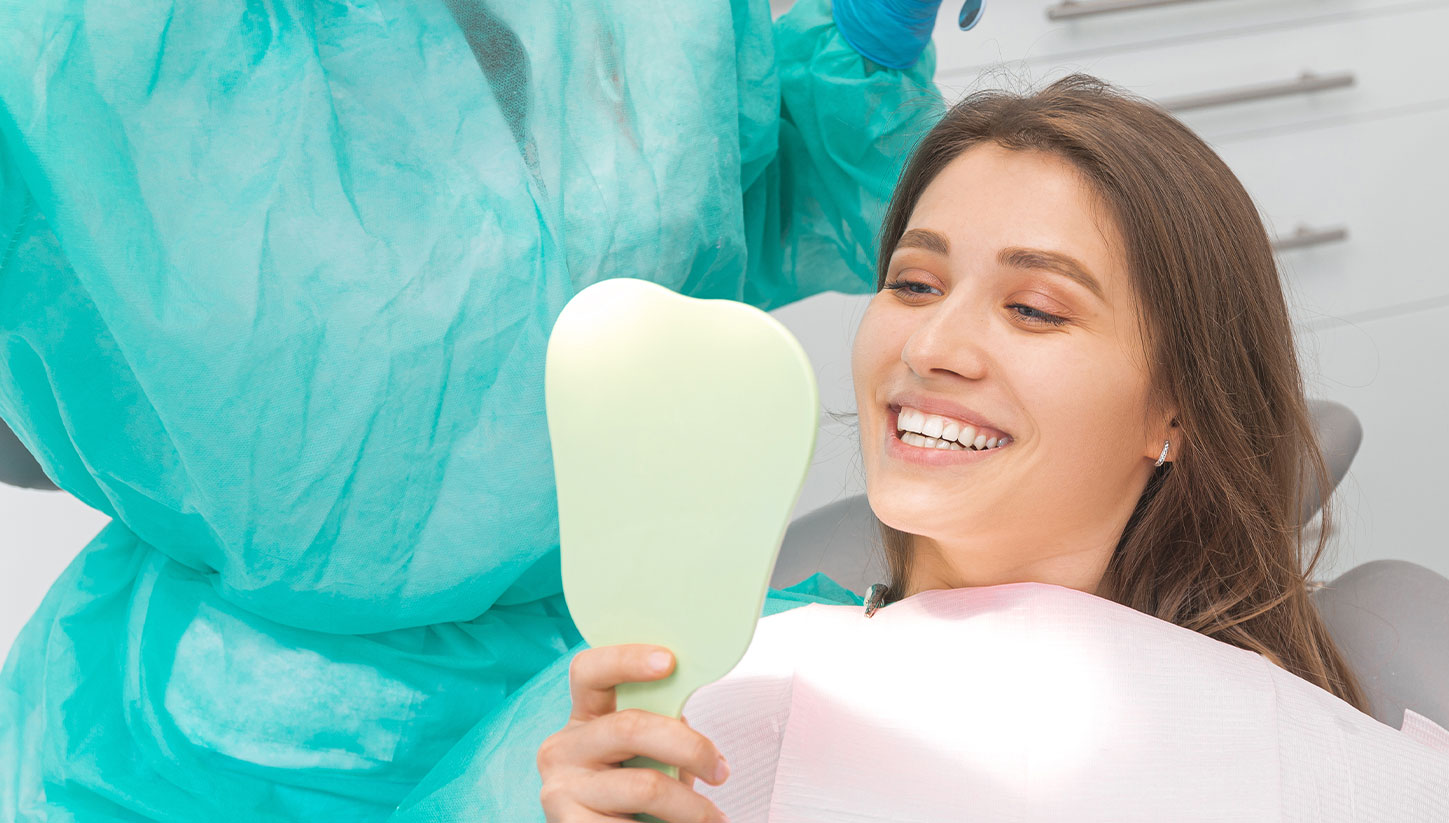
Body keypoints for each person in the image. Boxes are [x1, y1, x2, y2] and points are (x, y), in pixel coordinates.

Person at [0, 1, 953, 820]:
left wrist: (864, 49)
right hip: (222, 744)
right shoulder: (91, 38)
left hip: (614, 663)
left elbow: (737, 209)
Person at [398, 74, 1373, 823]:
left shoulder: (1284, 765)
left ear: (1177, 412)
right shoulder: (719, 705)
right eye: (912, 284)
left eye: (1033, 308)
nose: (933, 345)